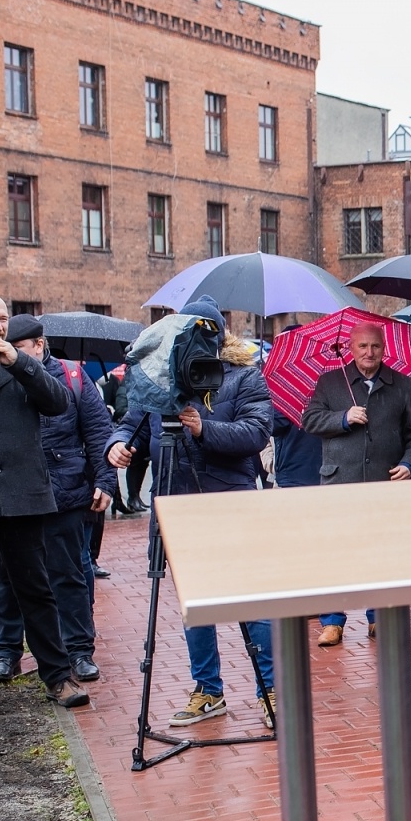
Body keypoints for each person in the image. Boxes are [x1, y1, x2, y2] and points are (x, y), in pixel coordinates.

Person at [107, 296, 273, 727]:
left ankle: (270, 687)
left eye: (205, 332)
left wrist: (204, 428)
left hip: (229, 507)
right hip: (175, 509)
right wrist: (117, 446)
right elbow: (132, 423)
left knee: (247, 600)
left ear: (218, 335)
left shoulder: (242, 378)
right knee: (194, 606)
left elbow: (255, 433)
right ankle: (208, 690)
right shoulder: (159, 381)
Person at [0, 294, 88, 708]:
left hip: (22, 497)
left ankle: (58, 678)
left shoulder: (23, 363)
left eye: (3, 318)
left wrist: (20, 362)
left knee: (36, 591)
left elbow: (59, 402)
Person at [0, 316, 116, 685]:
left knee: (68, 575)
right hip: (9, 495)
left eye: (19, 348)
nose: (10, 354)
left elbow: (98, 433)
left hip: (64, 492)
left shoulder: (72, 378)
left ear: (38, 345)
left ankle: (79, 651)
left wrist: (105, 481)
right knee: (7, 579)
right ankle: (7, 653)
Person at [300, 322, 411, 647]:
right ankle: (332, 621)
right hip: (339, 482)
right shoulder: (330, 383)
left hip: (384, 483)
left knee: (382, 552)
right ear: (350, 348)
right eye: (362, 347)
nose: (369, 353)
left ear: (384, 349)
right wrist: (343, 418)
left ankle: (378, 616)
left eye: (375, 347)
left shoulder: (401, 385)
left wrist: (409, 463)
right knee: (334, 553)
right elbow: (309, 419)